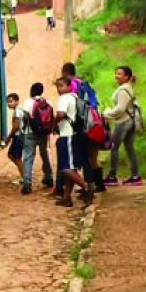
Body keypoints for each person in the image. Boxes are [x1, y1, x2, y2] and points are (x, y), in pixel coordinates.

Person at [53, 77, 93, 207]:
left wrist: (53, 124)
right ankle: (67, 197)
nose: (59, 89)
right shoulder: (75, 97)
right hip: (75, 135)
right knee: (70, 167)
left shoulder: (65, 98)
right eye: (58, 86)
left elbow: (60, 114)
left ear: (70, 86)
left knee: (65, 168)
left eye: (62, 86)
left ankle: (86, 186)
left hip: (67, 135)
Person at [103, 66, 142, 186]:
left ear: (127, 77)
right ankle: (135, 176)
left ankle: (112, 176)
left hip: (123, 121)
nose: (117, 76)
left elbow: (120, 109)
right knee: (130, 148)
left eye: (119, 74)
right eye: (116, 73)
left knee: (114, 148)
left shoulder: (123, 90)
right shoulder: (128, 88)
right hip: (130, 120)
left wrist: (106, 113)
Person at [21, 82, 54, 194]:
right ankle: (49, 176)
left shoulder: (27, 102)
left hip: (30, 133)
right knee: (44, 154)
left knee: (28, 157)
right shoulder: (47, 102)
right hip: (44, 133)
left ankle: (27, 183)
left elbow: (25, 117)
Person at [4, 93, 24, 184]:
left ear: (17, 101)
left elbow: (16, 126)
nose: (9, 104)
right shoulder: (19, 110)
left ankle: (24, 176)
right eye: (8, 102)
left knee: (16, 157)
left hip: (18, 136)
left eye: (11, 101)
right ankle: (24, 173)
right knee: (12, 155)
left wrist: (9, 137)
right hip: (19, 136)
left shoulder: (17, 111)